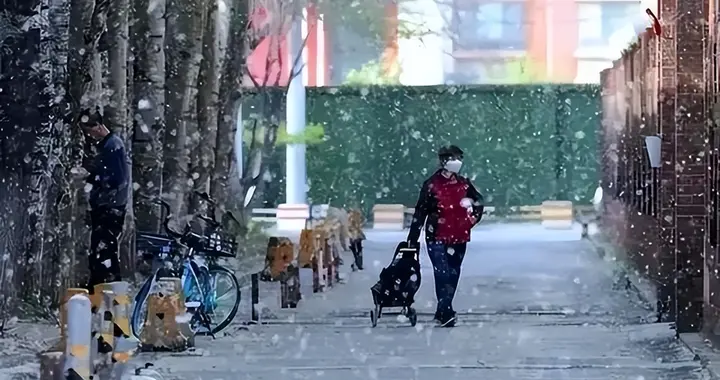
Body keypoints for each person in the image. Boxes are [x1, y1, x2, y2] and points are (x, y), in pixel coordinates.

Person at [406, 145, 484, 327]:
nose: (457, 162)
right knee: (442, 273)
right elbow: (420, 211)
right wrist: (413, 238)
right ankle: (446, 310)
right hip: (437, 236)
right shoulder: (432, 185)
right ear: (443, 161)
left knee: (454, 273)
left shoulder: (464, 183)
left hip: (459, 235)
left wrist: (472, 219)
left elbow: (479, 201)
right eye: (453, 158)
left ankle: (443, 309)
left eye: (459, 158)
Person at [80, 109, 130, 290]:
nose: (90, 136)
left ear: (98, 127)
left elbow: (118, 179)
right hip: (105, 206)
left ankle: (105, 288)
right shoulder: (107, 146)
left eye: (90, 131)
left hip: (110, 207)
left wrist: (94, 178)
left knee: (104, 250)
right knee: (101, 250)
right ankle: (101, 288)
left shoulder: (113, 146)